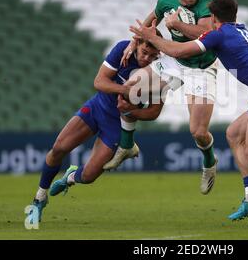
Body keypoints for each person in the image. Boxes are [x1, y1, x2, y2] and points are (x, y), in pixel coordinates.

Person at [129, 0, 248, 227]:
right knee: (234, 134)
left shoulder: (218, 35)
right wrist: (178, 25)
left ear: (215, 19)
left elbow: (179, 52)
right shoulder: (238, 29)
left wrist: (151, 37)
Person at [28, 36, 164, 222]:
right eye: (144, 52)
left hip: (117, 125)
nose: (146, 58)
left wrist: (131, 111)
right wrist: (126, 91)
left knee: (89, 176)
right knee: (59, 148)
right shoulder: (124, 50)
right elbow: (99, 82)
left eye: (152, 56)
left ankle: (70, 177)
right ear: (138, 45)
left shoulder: (161, 73)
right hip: (97, 108)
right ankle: (40, 197)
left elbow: (154, 112)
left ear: (158, 55)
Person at [116, 0, 219, 195]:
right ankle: (126, 144)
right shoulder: (166, 0)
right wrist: (134, 42)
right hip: (175, 60)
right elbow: (151, 19)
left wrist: (177, 24)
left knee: (199, 132)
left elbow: (206, 33)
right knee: (131, 86)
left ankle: (210, 163)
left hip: (202, 68)